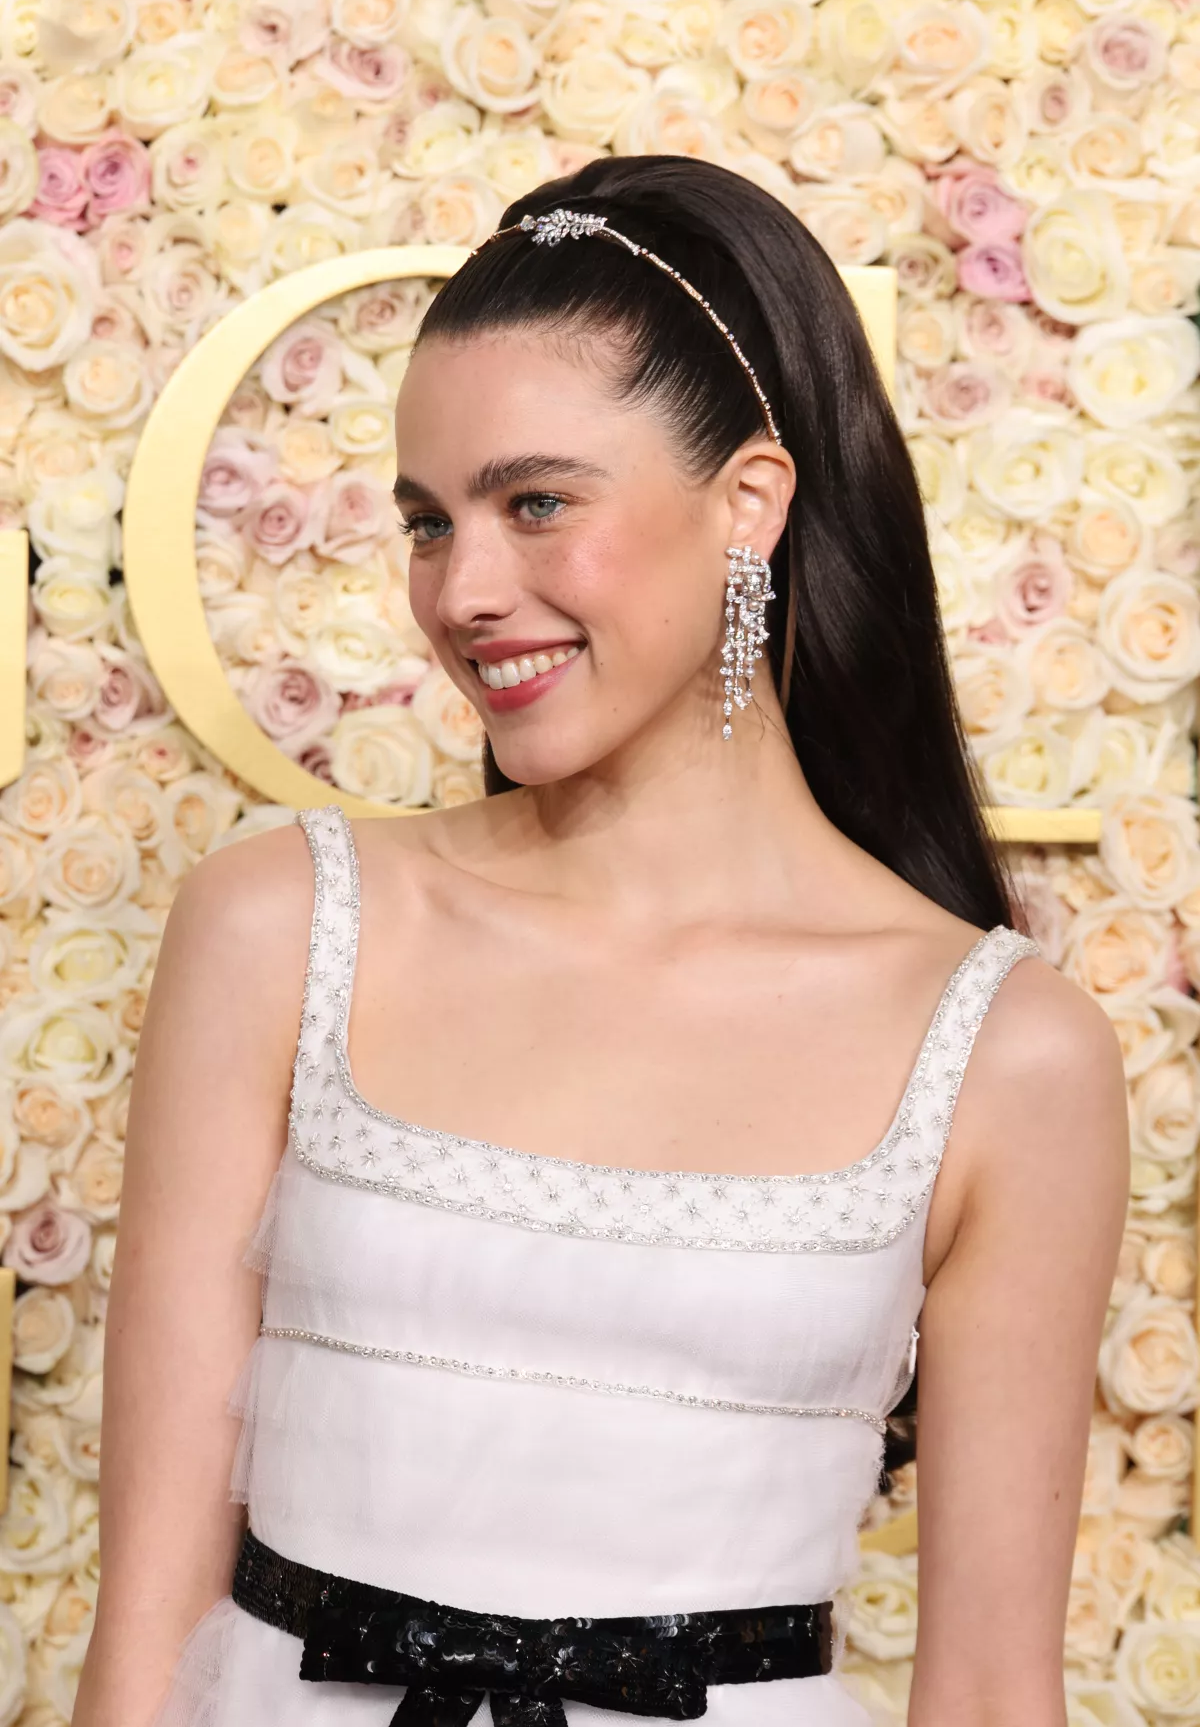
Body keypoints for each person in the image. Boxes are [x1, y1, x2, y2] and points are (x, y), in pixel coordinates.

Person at [75, 154, 1129, 1727]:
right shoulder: (278, 928)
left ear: (749, 502)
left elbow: (987, 1688)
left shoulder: (1008, 1051)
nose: (466, 591)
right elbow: (146, 1623)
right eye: (430, 524)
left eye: (537, 502)